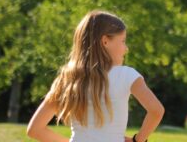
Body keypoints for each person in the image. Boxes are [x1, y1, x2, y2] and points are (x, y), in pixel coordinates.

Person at [27, 11, 164, 142]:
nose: (126, 48)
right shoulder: (127, 75)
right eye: (123, 41)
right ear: (105, 41)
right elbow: (156, 111)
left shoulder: (68, 79)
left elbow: (35, 130)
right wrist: (138, 140)